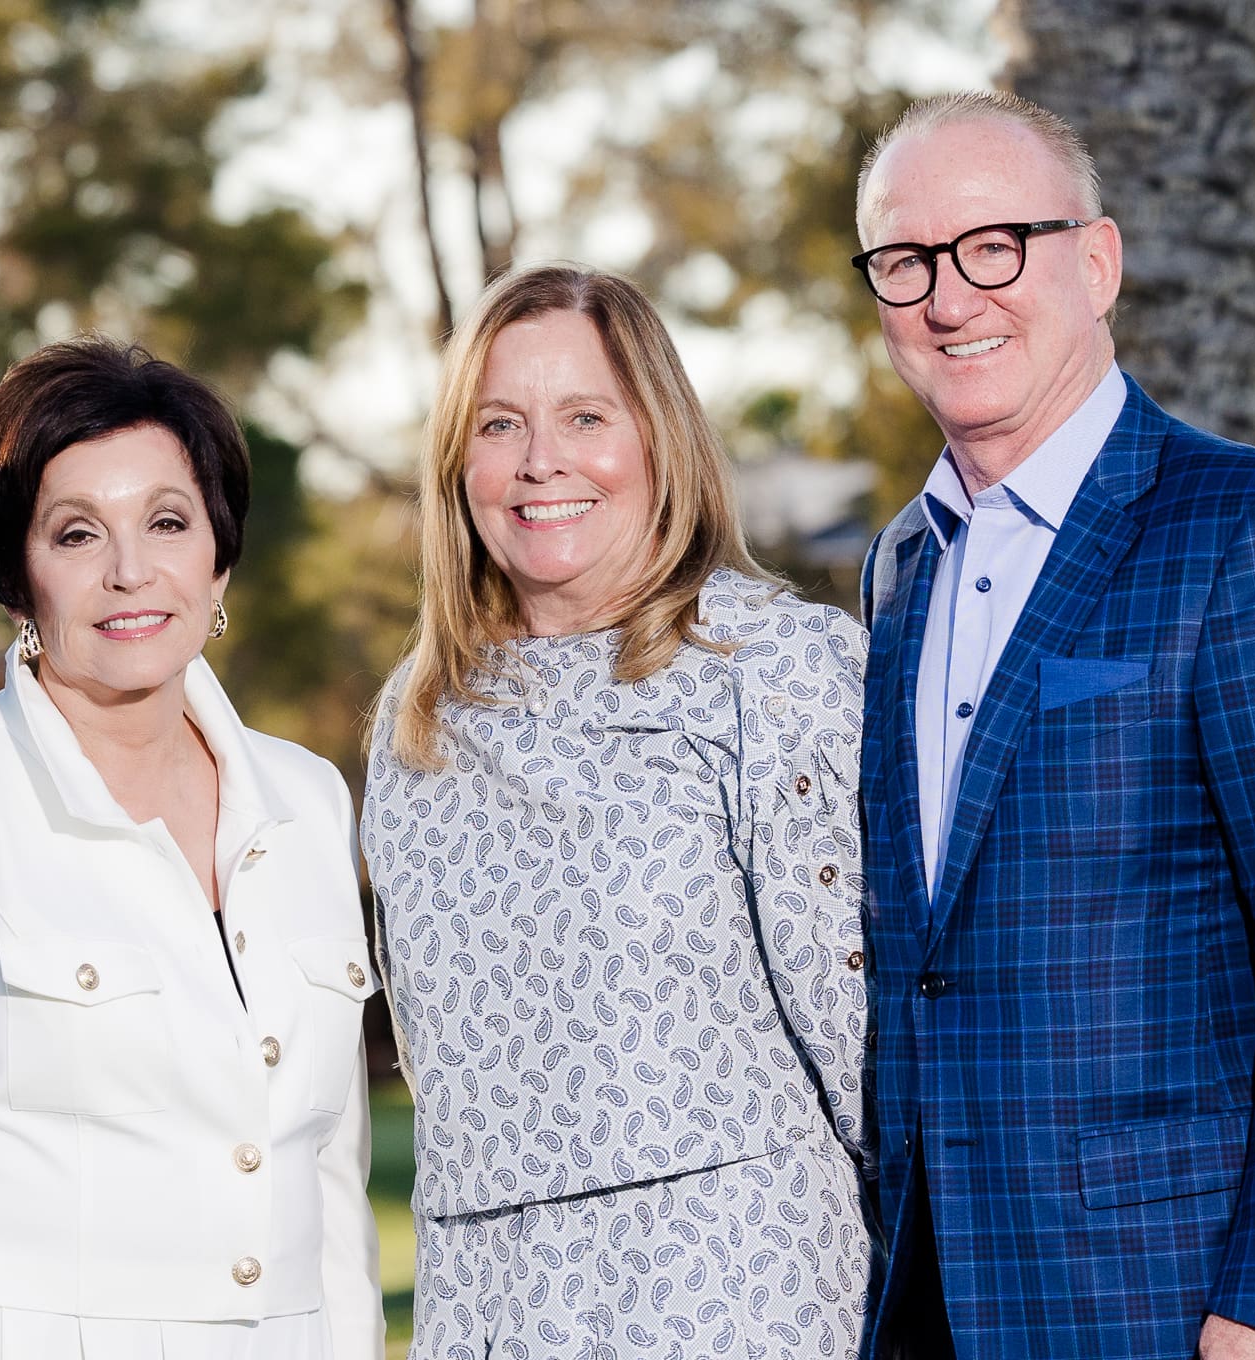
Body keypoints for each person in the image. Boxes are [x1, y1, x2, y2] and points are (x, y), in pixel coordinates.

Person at [848, 91, 1255, 1360]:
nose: (950, 296)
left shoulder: (1254, 529)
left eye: (995, 245)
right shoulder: (898, 568)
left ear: (1097, 263)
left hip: (1183, 1300)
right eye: (906, 260)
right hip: (939, 1302)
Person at [0, 336, 383, 1360]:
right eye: (76, 534)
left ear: (219, 556)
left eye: (168, 522)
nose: (131, 571)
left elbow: (327, 1170)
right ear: (17, 577)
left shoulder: (309, 799)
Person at [362, 263, 872, 1359]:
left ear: (658, 438)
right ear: (457, 462)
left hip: (737, 1294)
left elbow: (864, 1049)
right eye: (499, 423)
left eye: (585, 417)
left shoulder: (775, 670)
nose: (540, 460)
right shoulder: (417, 717)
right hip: (489, 1307)